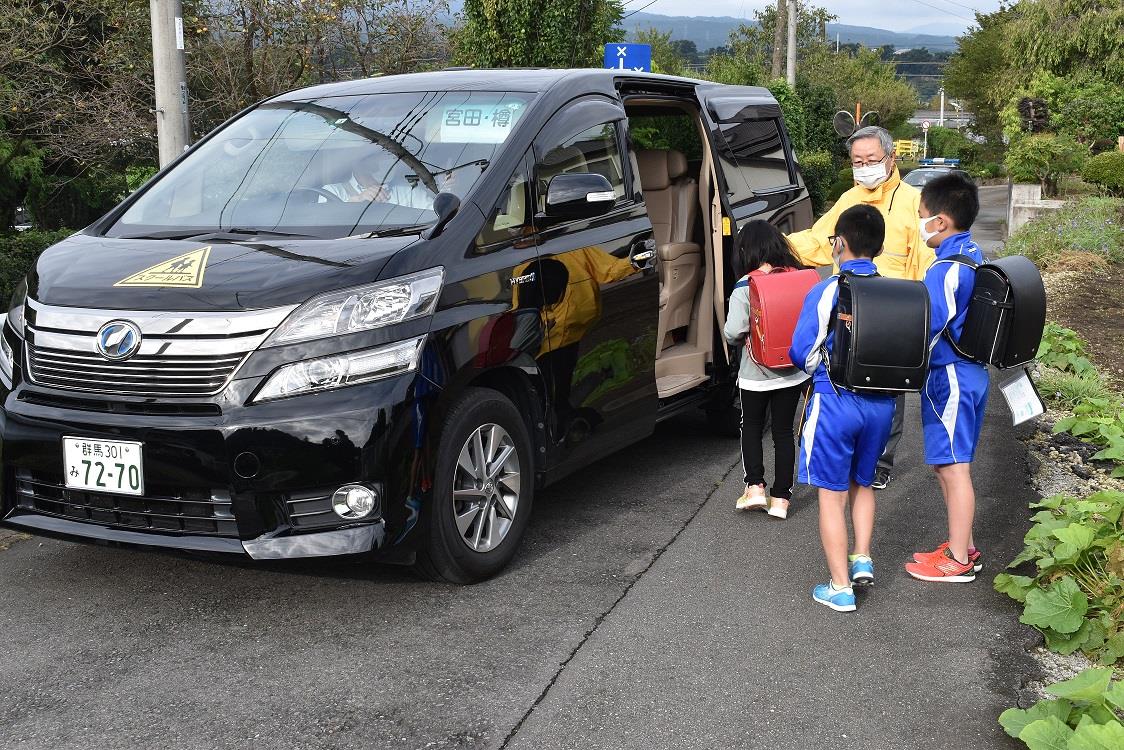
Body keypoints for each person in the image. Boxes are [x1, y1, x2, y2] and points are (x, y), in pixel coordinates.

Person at [786, 126, 936, 491]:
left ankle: (880, 462)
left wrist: (921, 318)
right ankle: (848, 453)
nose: (864, 167)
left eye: (871, 160)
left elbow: (927, 261)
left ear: (891, 158)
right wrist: (777, 244)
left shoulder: (913, 203)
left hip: (894, 317)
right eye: (857, 161)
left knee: (889, 388)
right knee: (844, 378)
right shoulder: (849, 199)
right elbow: (820, 240)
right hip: (849, 307)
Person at [788, 205, 896, 612]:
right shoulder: (897, 289)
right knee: (863, 484)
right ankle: (861, 557)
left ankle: (839, 587)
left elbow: (802, 350)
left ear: (840, 243)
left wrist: (822, 371)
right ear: (880, 246)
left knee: (831, 497)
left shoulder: (829, 289)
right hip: (882, 407)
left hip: (836, 403)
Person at [904, 173, 988, 582]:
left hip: (949, 376)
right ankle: (965, 546)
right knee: (950, 465)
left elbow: (929, 326)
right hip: (968, 372)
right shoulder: (974, 253)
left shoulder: (945, 269)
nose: (920, 223)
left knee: (954, 467)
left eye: (922, 216)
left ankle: (958, 560)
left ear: (940, 221)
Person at [723, 221, 810, 519]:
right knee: (784, 433)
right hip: (793, 371)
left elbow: (733, 331)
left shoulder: (745, 286)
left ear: (745, 250)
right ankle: (782, 499)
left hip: (755, 376)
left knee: (752, 429)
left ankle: (755, 488)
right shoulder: (798, 278)